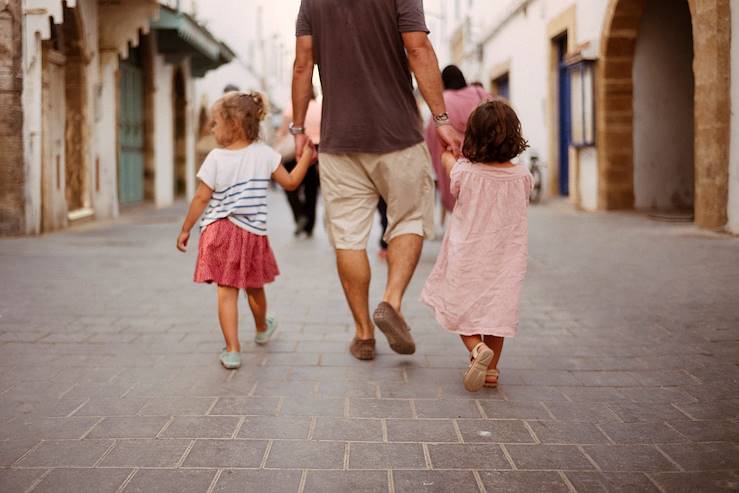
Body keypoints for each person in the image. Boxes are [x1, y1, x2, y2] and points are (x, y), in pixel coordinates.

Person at [292, 0, 463, 360]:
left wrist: (297, 128)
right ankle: (392, 301)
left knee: (348, 236)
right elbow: (418, 48)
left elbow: (302, 64)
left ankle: (364, 334)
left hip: (339, 141)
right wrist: (442, 119)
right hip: (398, 133)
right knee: (409, 218)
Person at [176, 91, 317, 369]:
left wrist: (186, 229)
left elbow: (201, 198)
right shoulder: (265, 154)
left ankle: (232, 350)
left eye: (215, 123)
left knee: (226, 292)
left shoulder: (216, 158)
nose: (211, 128)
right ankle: (262, 327)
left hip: (219, 231)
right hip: (252, 233)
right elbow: (290, 183)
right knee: (254, 287)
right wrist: (306, 159)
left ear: (234, 125)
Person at [421, 100, 532, 392]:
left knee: (460, 309)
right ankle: (492, 370)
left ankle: (476, 349)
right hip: (507, 260)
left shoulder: (465, 172)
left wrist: (449, 155)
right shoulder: (522, 176)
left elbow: (450, 169)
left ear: (473, 136)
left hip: (468, 256)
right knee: (496, 314)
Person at [425, 65, 491, 218]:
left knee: (462, 206)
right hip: (484, 158)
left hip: (458, 161)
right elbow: (496, 117)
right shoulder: (480, 93)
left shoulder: (444, 101)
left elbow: (431, 130)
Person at [274, 93, 322, 237]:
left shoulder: (293, 106)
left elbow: (283, 130)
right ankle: (309, 228)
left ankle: (300, 214)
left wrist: (278, 141)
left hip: (296, 148)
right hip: (316, 150)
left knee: (290, 186)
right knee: (311, 191)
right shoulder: (320, 107)